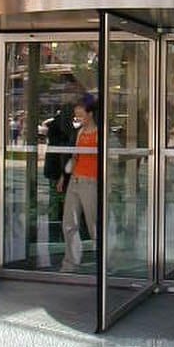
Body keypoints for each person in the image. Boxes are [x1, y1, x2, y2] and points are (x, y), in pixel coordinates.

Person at [59, 94, 98, 272]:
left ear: (90, 114)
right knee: (69, 223)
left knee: (94, 224)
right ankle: (70, 264)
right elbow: (75, 157)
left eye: (81, 115)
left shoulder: (99, 134)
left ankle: (104, 265)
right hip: (75, 180)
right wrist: (64, 176)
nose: (78, 119)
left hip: (91, 182)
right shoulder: (80, 133)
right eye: (76, 116)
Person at [42, 104, 76, 249]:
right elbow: (64, 152)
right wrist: (63, 173)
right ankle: (58, 232)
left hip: (54, 168)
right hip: (59, 169)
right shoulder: (64, 126)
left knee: (55, 200)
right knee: (59, 200)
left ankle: (55, 232)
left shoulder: (55, 124)